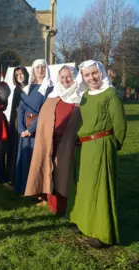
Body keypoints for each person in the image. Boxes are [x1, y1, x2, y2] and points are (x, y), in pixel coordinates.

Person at [68, 60, 127, 248]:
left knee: (101, 188)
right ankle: (83, 222)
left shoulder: (110, 94)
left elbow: (120, 125)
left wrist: (110, 146)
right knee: (85, 186)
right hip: (85, 147)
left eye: (94, 73)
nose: (91, 78)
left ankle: (104, 233)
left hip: (102, 145)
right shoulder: (85, 95)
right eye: (87, 75)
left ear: (101, 72)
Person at [24, 66, 84, 214]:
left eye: (68, 77)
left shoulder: (81, 98)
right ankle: (51, 202)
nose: (65, 80)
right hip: (50, 142)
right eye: (62, 77)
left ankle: (65, 206)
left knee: (64, 175)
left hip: (69, 145)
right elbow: (44, 119)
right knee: (50, 172)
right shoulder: (53, 96)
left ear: (75, 77)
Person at [14, 59, 54, 195]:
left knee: (36, 160)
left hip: (38, 130)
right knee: (25, 159)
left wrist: (30, 130)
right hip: (25, 131)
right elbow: (21, 108)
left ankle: (36, 190)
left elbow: (45, 111)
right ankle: (24, 187)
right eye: (37, 68)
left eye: (43, 67)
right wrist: (21, 129)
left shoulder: (50, 88)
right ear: (33, 70)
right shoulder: (28, 87)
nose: (40, 70)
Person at [7, 66, 28, 185]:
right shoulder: (17, 90)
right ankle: (14, 176)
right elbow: (15, 109)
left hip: (30, 121)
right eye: (17, 75)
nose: (19, 76)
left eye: (21, 73)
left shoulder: (32, 87)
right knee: (17, 148)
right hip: (18, 123)